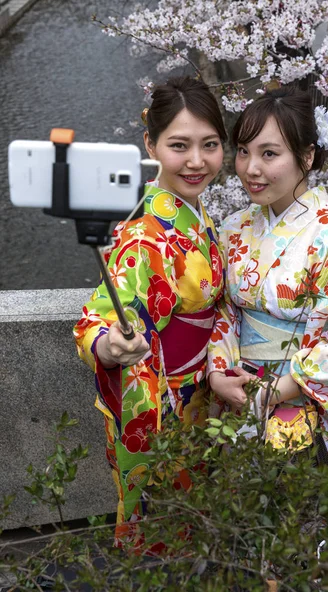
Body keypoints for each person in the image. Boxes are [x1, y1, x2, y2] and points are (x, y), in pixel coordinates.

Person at [74, 76, 227, 548]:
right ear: (151, 144)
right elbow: (100, 314)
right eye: (179, 145)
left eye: (211, 145)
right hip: (169, 404)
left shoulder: (192, 211)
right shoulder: (146, 232)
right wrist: (107, 342)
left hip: (201, 393)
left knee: (196, 517)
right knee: (173, 520)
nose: (197, 161)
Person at [208, 86, 328, 467]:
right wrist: (219, 373)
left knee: (297, 515)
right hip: (241, 393)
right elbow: (223, 309)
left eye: (268, 154)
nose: (250, 168)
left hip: (301, 400)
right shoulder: (232, 228)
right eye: (243, 151)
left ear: (307, 157)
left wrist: (276, 390)